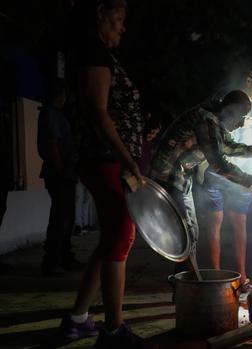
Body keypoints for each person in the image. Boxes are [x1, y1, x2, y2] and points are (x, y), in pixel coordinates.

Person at [59, 1, 152, 348]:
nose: (123, 27)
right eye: (119, 19)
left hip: (106, 157)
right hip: (106, 158)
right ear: (100, 11)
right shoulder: (93, 52)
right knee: (121, 236)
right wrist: (128, 158)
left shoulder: (94, 52)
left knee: (111, 237)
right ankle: (113, 332)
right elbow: (99, 113)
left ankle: (78, 319)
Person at [149, 90, 252, 273]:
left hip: (181, 177)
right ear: (229, 110)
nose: (242, 123)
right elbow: (220, 164)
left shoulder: (214, 122)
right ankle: (189, 288)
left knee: (189, 234)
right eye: (241, 116)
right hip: (168, 175)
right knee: (186, 234)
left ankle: (186, 287)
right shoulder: (206, 120)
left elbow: (228, 146)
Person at [37, 81, 83, 276]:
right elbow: (53, 144)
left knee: (65, 217)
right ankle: (53, 260)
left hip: (64, 172)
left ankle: (63, 256)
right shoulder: (51, 114)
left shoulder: (56, 114)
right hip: (60, 174)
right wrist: (62, 170)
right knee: (61, 218)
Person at [198, 168, 252, 291]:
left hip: (239, 174)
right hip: (215, 174)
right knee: (215, 223)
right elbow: (221, 158)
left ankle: (242, 277)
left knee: (240, 223)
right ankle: (216, 276)